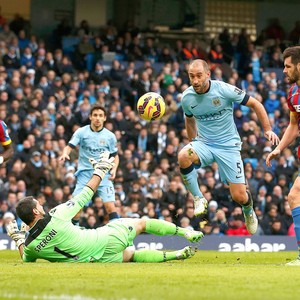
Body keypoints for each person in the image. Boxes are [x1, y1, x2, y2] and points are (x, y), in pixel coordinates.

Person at [6, 152, 203, 263]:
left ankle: (176, 255)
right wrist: (100, 171)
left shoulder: (31, 244)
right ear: (35, 211)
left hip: (95, 261)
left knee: (132, 256)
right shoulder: (56, 215)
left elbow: (25, 258)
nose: (42, 206)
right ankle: (184, 232)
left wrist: (18, 239)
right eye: (38, 205)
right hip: (104, 238)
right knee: (142, 223)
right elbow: (85, 194)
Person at [178, 59, 280, 235]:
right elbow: (189, 119)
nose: (195, 81)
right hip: (204, 144)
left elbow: (256, 104)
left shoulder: (224, 90)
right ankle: (198, 198)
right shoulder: (187, 98)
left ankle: (248, 211)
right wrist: (192, 141)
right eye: (191, 76)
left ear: (208, 75)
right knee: (183, 155)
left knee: (239, 196)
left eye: (199, 76)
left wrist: (267, 129)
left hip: (228, 147)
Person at [266, 46, 300, 266]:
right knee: (294, 196)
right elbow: (293, 124)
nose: (284, 71)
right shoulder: (293, 93)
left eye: (288, 66)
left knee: (295, 195)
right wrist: (279, 148)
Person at [59, 104, 120, 221]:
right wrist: (65, 153)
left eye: (100, 115)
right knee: (77, 208)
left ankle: (118, 234)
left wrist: (114, 169)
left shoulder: (110, 136)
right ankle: (74, 234)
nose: (98, 118)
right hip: (85, 174)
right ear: (90, 117)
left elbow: (115, 156)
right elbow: (69, 146)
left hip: (103, 174)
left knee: (110, 207)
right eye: (95, 115)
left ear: (105, 118)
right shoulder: (81, 132)